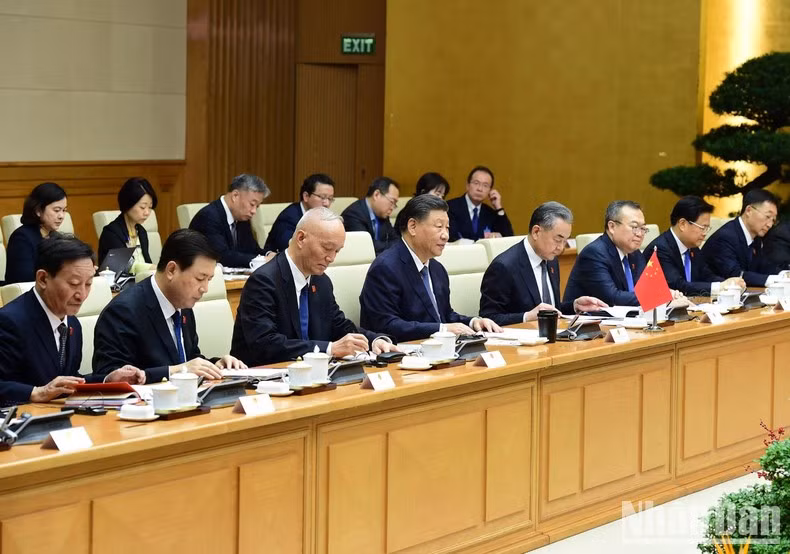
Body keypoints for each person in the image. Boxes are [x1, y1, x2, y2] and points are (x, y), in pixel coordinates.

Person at [230, 208, 398, 366]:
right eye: (327, 248)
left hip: (311, 374)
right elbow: (264, 344)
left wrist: (374, 341)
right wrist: (329, 349)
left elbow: (339, 325)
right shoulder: (263, 281)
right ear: (301, 238)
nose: (331, 258)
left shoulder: (321, 281)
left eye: (337, 251)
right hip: (262, 376)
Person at [0, 235, 144, 405]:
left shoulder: (73, 323)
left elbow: (68, 381)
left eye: (88, 284)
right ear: (43, 279)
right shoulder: (9, 322)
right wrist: (36, 392)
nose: (82, 295)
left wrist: (108, 380)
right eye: (74, 284)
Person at [93, 229, 246, 383]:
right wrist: (174, 371)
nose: (205, 289)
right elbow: (112, 377)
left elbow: (189, 360)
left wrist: (215, 365)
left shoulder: (183, 304)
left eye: (209, 279)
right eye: (200, 278)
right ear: (171, 270)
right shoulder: (123, 312)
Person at [359, 195, 501, 342]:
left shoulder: (437, 269)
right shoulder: (385, 268)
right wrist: (441, 329)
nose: (446, 236)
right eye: (439, 227)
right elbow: (386, 325)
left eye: (447, 227)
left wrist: (473, 322)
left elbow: (445, 316)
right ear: (412, 226)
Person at [480, 202, 607, 326]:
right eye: (557, 240)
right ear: (536, 232)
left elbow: (551, 309)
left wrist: (574, 306)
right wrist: (526, 317)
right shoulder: (504, 267)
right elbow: (488, 318)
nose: (561, 247)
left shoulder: (552, 261)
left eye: (565, 241)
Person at [644, 196, 745, 296]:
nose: (705, 233)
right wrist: (720, 287)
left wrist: (730, 285)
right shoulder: (660, 249)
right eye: (702, 227)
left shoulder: (692, 247)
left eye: (707, 228)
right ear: (682, 224)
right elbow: (678, 285)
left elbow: (707, 276)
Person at [562, 200, 649, 307]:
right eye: (634, 227)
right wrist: (657, 298)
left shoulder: (635, 254)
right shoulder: (594, 254)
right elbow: (612, 298)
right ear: (612, 227)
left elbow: (647, 290)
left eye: (643, 228)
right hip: (588, 316)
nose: (640, 234)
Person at [702, 189, 781, 286]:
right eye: (768, 217)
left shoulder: (756, 239)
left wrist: (783, 275)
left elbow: (764, 267)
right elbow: (735, 274)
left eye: (773, 220)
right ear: (749, 210)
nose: (770, 225)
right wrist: (774, 280)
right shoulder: (725, 237)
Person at [189, 174, 271, 268]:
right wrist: (263, 260)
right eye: (252, 204)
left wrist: (269, 255)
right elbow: (222, 256)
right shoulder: (208, 217)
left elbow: (252, 249)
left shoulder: (242, 218)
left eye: (257, 206)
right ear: (235, 196)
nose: (254, 211)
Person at [5, 182, 68, 284]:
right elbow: (24, 280)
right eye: (57, 210)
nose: (61, 216)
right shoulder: (22, 238)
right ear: (38, 210)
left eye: (64, 210)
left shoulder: (56, 237)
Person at [97, 177, 157, 274]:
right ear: (128, 204)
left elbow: (147, 261)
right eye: (142, 207)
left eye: (150, 207)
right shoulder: (111, 233)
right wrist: (155, 268)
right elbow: (124, 266)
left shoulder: (141, 231)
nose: (147, 212)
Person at [263, 173, 335, 254]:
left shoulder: (323, 217)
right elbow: (292, 248)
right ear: (306, 196)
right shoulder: (289, 218)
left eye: (330, 198)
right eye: (322, 197)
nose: (327, 203)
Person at [447, 165, 513, 241]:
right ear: (467, 185)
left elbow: (508, 237)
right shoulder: (450, 207)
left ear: (490, 190)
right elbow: (452, 237)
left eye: (485, 185)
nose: (480, 189)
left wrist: (498, 207)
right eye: (476, 183)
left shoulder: (489, 213)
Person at [340, 177, 400, 255]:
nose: (392, 207)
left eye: (395, 204)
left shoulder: (382, 214)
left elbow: (396, 240)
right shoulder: (353, 214)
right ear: (376, 195)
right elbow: (366, 246)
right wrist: (391, 246)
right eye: (392, 202)